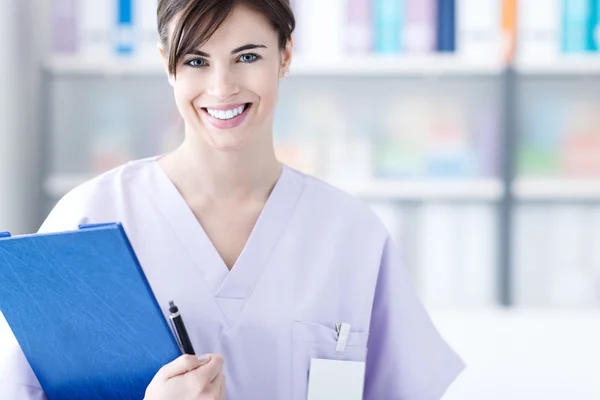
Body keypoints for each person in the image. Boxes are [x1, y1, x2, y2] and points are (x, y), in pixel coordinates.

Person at [0, 0, 465, 399]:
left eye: (246, 56)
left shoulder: (352, 235)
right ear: (168, 64)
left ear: (285, 56)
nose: (222, 87)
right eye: (197, 61)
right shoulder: (87, 219)